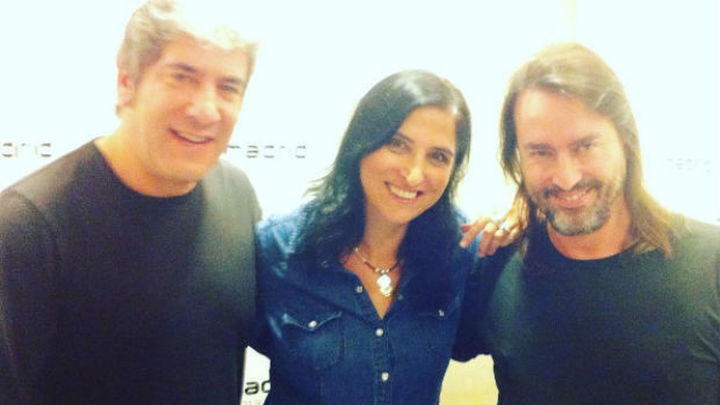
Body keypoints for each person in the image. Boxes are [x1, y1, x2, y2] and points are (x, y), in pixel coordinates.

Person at [0, 0, 260, 403]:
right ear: (127, 82)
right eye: (182, 77)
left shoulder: (237, 193)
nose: (206, 110)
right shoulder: (26, 228)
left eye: (228, 87)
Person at [454, 43, 720, 404]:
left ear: (625, 141)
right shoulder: (496, 263)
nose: (566, 178)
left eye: (585, 146)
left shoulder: (710, 264)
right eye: (540, 152)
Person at [253, 70, 493, 403]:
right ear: (362, 142)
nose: (414, 174)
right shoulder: (278, 248)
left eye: (438, 156)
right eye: (397, 144)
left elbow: (473, 343)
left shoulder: (462, 251)